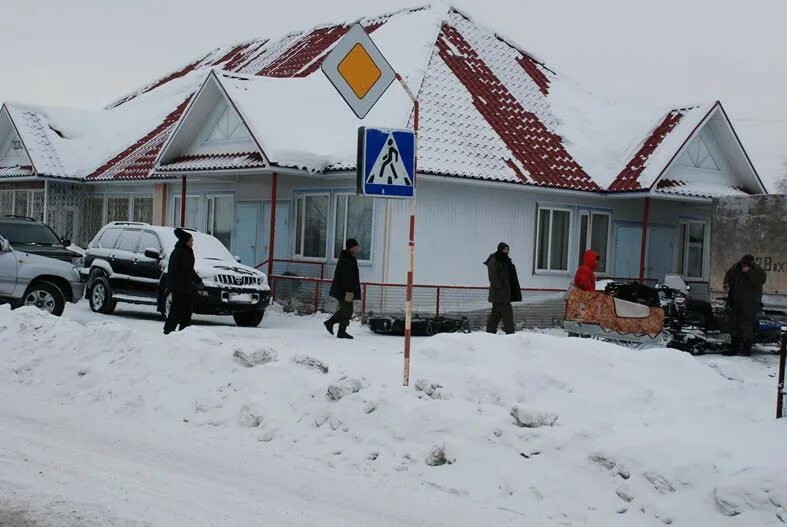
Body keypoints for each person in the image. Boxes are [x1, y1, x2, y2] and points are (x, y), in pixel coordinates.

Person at [723, 254, 767, 356]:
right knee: (734, 325)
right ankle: (734, 348)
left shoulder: (757, 270)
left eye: (746, 264)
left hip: (749, 303)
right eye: (743, 263)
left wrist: (749, 272)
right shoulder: (736, 267)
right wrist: (726, 282)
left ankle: (746, 348)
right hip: (735, 301)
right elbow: (728, 275)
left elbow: (760, 280)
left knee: (746, 325)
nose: (743, 266)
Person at [164, 228, 203, 335]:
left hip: (184, 287)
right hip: (180, 288)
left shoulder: (185, 251)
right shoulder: (182, 252)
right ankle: (169, 332)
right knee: (177, 311)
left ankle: (183, 333)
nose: (192, 243)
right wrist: (198, 280)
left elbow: (189, 269)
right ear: (186, 241)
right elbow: (187, 270)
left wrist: (196, 280)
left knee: (185, 312)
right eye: (191, 240)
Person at [324, 238, 362, 339]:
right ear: (351, 247)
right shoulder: (347, 259)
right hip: (344, 290)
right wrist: (349, 290)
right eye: (356, 246)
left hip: (346, 290)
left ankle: (336, 327)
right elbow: (346, 277)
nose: (357, 248)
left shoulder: (349, 258)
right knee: (347, 310)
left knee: (346, 310)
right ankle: (335, 327)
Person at [484, 242, 522, 335]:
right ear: (500, 249)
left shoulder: (506, 260)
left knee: (496, 313)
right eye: (505, 249)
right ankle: (510, 333)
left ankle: (490, 332)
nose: (506, 251)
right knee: (507, 313)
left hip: (503, 294)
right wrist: (501, 286)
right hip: (500, 294)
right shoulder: (495, 259)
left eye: (507, 249)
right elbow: (493, 277)